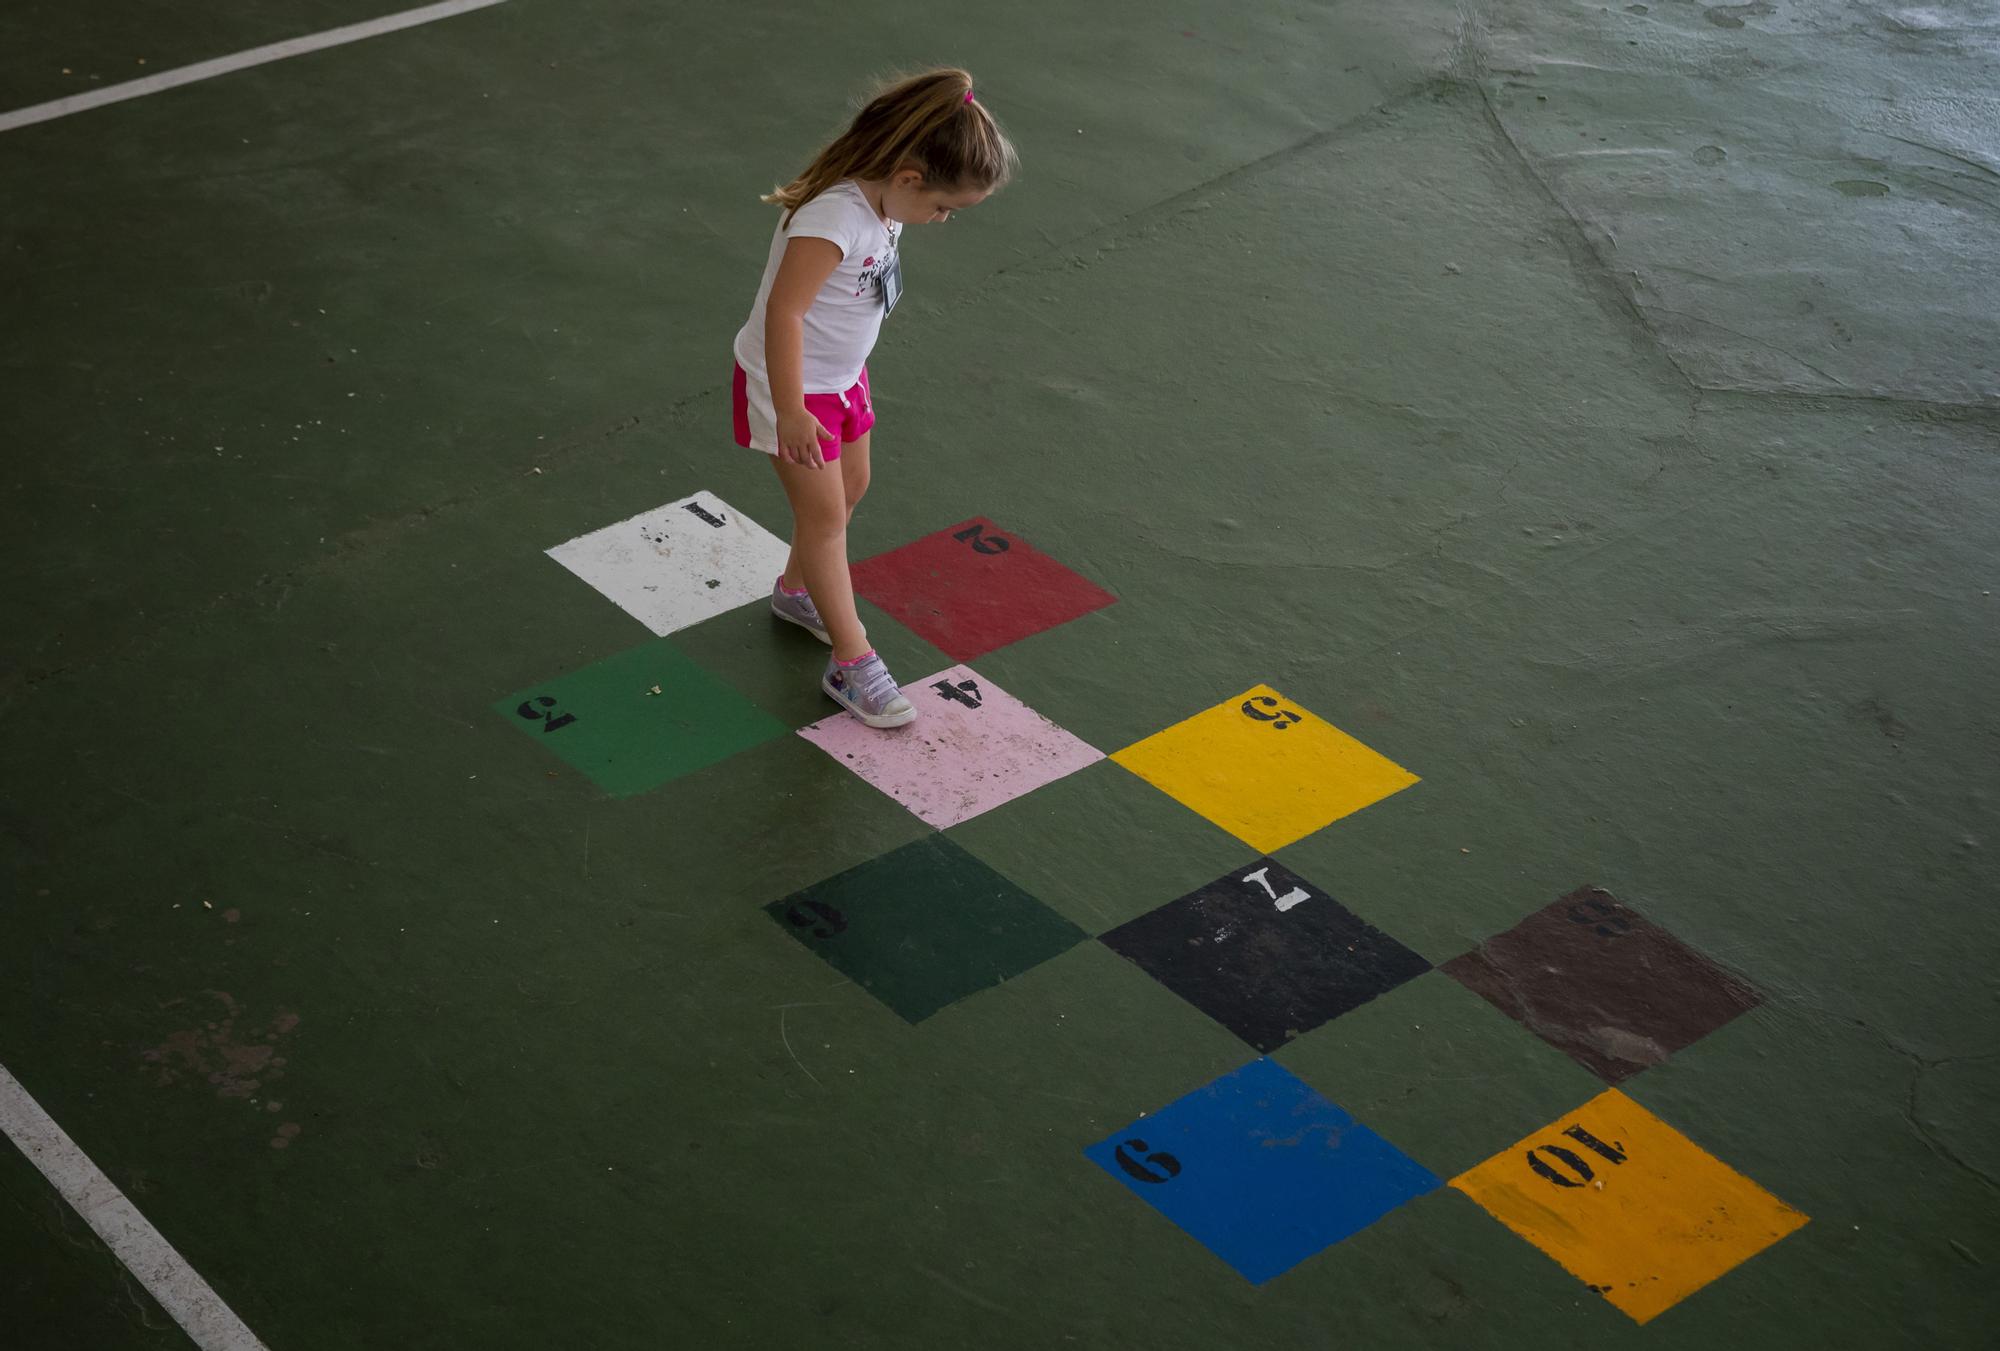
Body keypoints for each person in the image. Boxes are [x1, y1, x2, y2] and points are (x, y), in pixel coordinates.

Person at [730, 68, 1018, 728]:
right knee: (828, 516)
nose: (943, 220)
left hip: (842, 379)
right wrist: (793, 407)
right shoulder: (834, 219)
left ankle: (796, 593)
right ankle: (851, 661)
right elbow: (785, 314)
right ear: (911, 178)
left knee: (852, 487)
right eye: (945, 207)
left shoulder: (888, 201)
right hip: (793, 388)